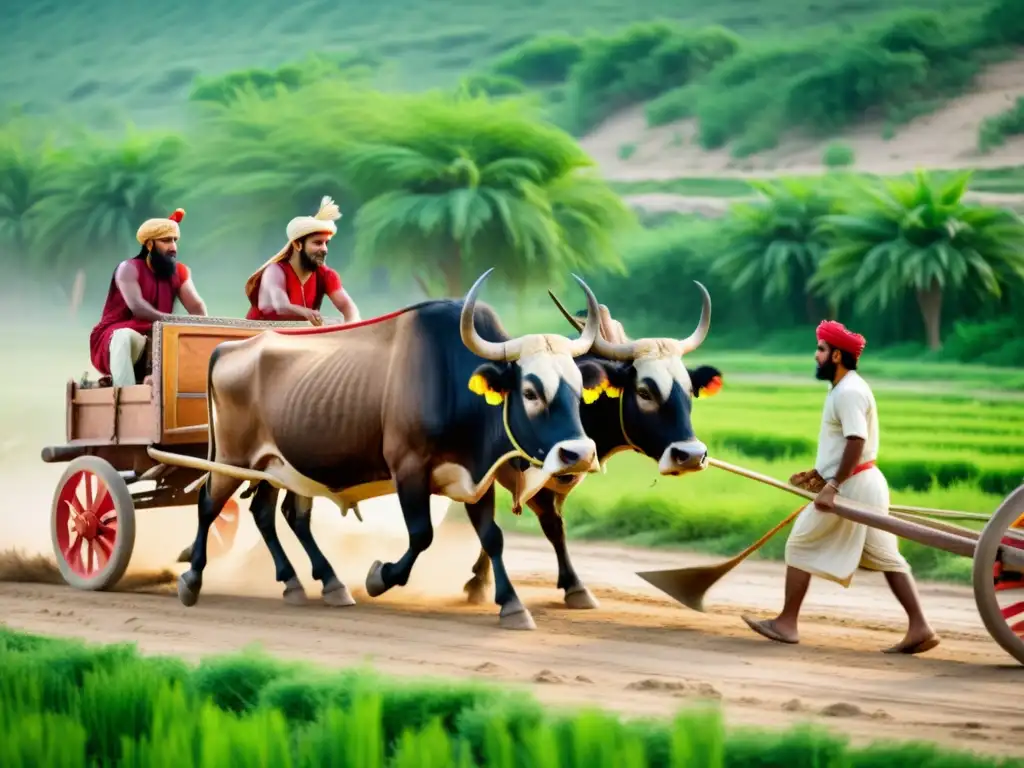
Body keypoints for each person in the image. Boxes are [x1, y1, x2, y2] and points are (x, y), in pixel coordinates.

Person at [741, 320, 940, 655]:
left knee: (801, 543)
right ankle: (921, 627)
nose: (815, 355)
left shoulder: (848, 391)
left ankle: (787, 624)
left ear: (836, 355)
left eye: (820, 349)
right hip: (863, 482)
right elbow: (843, 444)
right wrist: (819, 472)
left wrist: (832, 484)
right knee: (886, 556)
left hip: (854, 485)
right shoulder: (842, 387)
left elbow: (856, 441)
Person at [89, 208, 208, 387]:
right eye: (166, 241)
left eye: (175, 240)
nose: (173, 247)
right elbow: (138, 307)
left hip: (162, 336)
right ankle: (127, 399)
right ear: (150, 244)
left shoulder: (180, 271)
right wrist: (174, 322)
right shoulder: (128, 268)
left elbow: (197, 307)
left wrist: (201, 331)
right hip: (124, 336)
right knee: (123, 337)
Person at [244, 195, 361, 325]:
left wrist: (352, 325)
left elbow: (348, 307)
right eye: (317, 243)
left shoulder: (326, 275)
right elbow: (281, 306)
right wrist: (307, 313)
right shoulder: (275, 271)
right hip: (259, 337)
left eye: (326, 243)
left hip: (297, 339)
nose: (324, 249)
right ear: (297, 245)